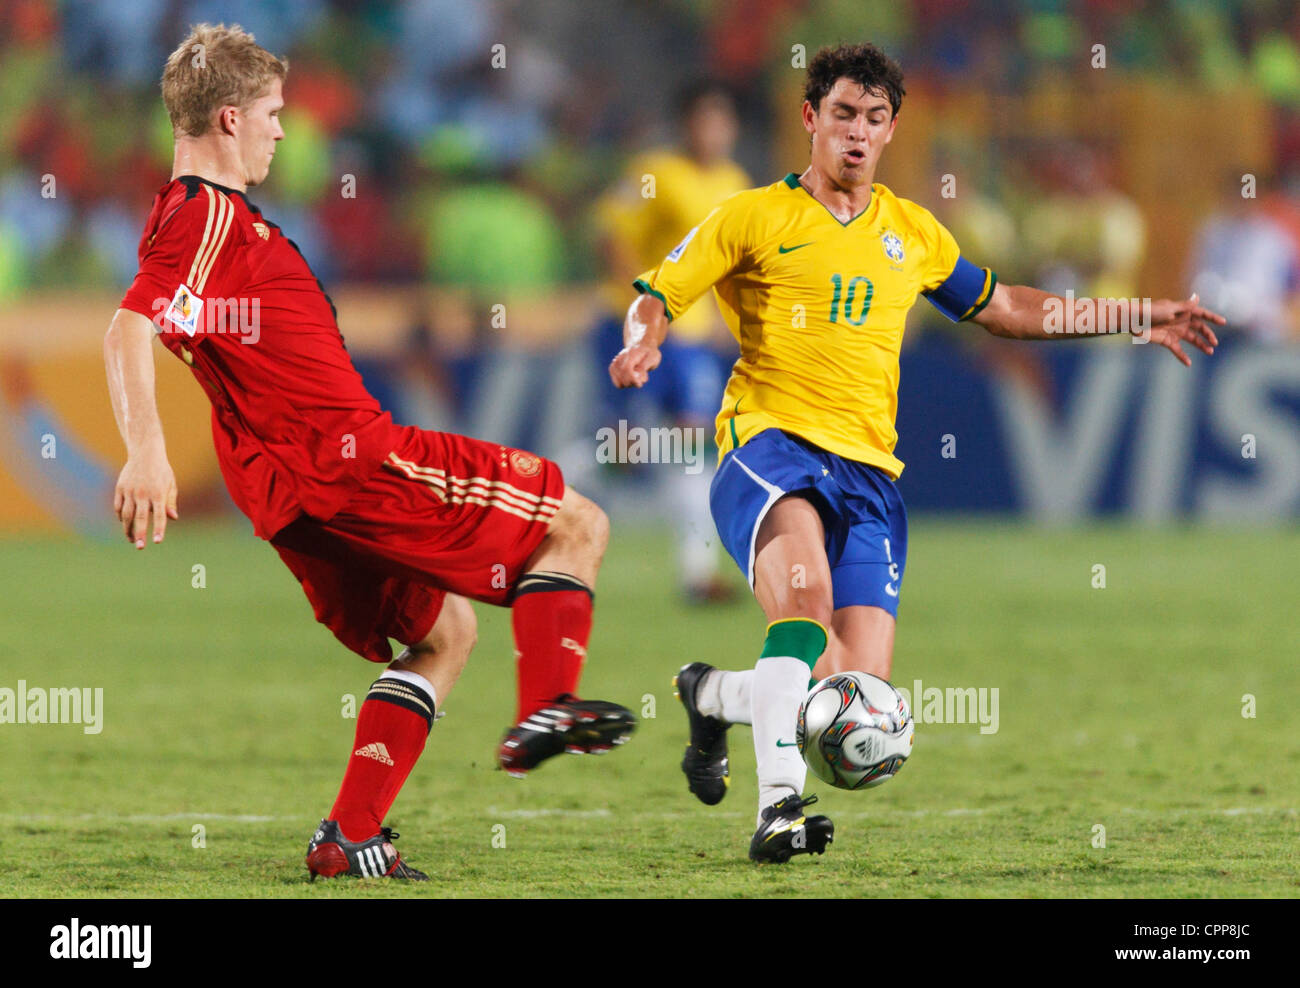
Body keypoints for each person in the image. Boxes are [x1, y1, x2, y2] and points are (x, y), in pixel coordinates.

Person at [610, 42, 1223, 863]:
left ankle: (713, 695)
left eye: (872, 119)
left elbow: (1004, 305)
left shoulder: (912, 231)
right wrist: (641, 343)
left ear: (892, 129)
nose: (856, 134)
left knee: (848, 699)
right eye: (841, 115)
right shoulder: (750, 215)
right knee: (803, 602)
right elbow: (657, 292)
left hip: (869, 476)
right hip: (770, 446)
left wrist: (1129, 315)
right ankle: (777, 812)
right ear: (809, 120)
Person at [104, 23, 635, 882]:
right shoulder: (203, 214)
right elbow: (131, 326)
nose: (284, 130)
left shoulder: (206, 220)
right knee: (576, 522)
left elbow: (201, 337)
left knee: (445, 632)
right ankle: (548, 707)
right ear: (230, 120)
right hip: (353, 465)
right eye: (274, 113)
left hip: (290, 493)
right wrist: (146, 452)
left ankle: (347, 838)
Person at [592, 81, 749, 602]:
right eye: (705, 121)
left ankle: (697, 574)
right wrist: (634, 305)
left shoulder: (735, 183)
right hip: (642, 326)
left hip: (694, 338)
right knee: (625, 451)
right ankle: (544, 499)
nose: (714, 132)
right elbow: (612, 232)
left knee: (692, 445)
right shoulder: (655, 173)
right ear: (687, 125)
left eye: (722, 122)